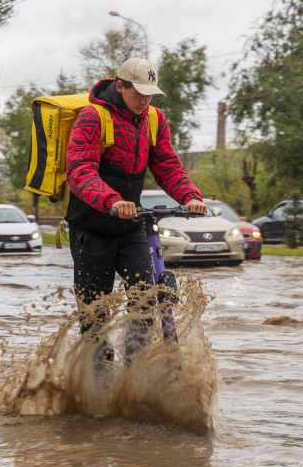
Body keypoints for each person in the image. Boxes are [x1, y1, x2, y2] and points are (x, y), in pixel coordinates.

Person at [65, 57, 207, 362]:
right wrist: (112, 200)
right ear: (120, 86)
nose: (144, 100)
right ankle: (95, 383)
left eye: (149, 93)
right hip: (92, 227)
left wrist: (190, 196)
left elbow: (167, 165)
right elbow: (79, 171)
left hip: (132, 227)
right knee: (95, 315)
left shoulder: (154, 119)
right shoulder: (93, 117)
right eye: (137, 92)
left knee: (145, 302)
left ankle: (135, 372)